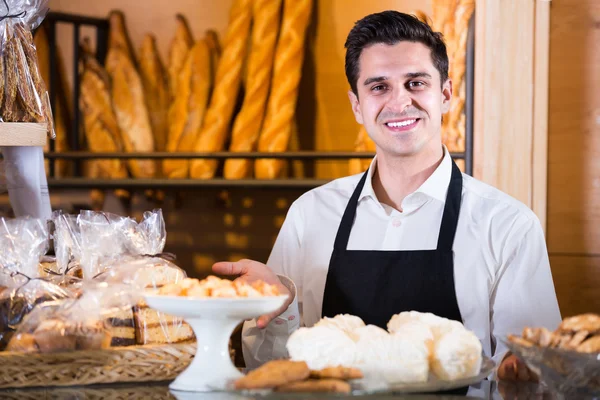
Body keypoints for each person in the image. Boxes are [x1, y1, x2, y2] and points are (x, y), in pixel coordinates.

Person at [213, 10, 561, 381]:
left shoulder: (507, 224)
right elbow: (268, 369)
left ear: (445, 94)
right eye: (379, 87)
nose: (399, 103)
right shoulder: (310, 215)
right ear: (357, 106)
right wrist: (279, 309)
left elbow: (533, 375)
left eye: (416, 83)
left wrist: (531, 368)